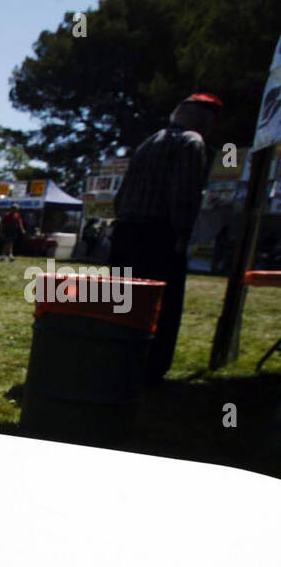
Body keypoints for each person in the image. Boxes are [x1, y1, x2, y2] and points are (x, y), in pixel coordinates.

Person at [109, 91, 222, 385]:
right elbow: (183, 194)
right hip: (157, 236)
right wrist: (182, 234)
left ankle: (118, 358)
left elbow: (121, 196)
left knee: (123, 303)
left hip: (126, 232)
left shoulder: (149, 142)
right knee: (160, 305)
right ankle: (150, 367)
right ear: (204, 120)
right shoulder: (191, 143)